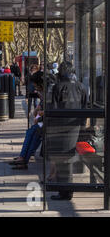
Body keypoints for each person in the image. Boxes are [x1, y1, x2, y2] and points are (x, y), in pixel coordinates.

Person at [47, 61, 87, 201]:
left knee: (61, 160)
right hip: (75, 128)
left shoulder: (58, 87)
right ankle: (65, 190)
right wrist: (82, 128)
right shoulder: (81, 87)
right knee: (67, 159)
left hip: (59, 128)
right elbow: (84, 108)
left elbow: (52, 109)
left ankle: (65, 191)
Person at [9, 71, 44, 170]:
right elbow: (41, 105)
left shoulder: (49, 91)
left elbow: (51, 108)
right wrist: (38, 109)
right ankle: (23, 157)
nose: (36, 88)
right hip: (45, 121)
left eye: (36, 86)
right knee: (33, 132)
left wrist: (41, 113)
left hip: (51, 122)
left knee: (34, 132)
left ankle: (23, 158)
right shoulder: (43, 91)